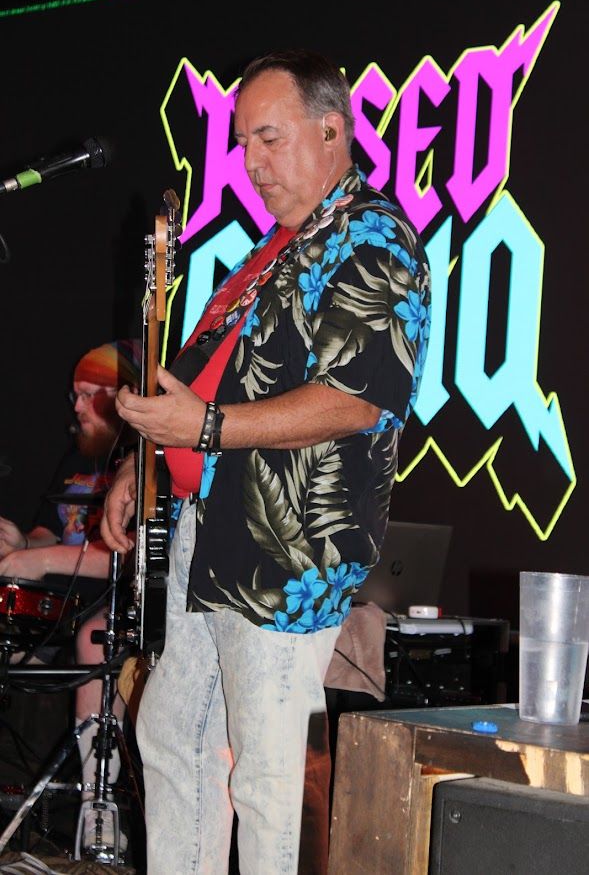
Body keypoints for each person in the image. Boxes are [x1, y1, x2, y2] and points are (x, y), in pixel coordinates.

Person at [101, 48, 431, 874]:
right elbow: (202, 377)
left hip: (286, 553)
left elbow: (355, 399)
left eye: (269, 139)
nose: (250, 162)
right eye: (243, 142)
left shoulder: (371, 237)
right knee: (173, 734)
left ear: (332, 132)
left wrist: (204, 426)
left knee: (268, 774)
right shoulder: (277, 249)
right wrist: (145, 462)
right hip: (213, 533)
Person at [0, 338, 141, 854]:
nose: (76, 407)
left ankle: (97, 808)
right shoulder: (78, 456)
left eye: (88, 394)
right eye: (74, 395)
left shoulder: (140, 464)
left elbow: (132, 555)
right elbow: (47, 532)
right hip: (57, 602)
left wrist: (39, 560)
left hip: (112, 599)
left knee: (94, 639)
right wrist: (19, 543)